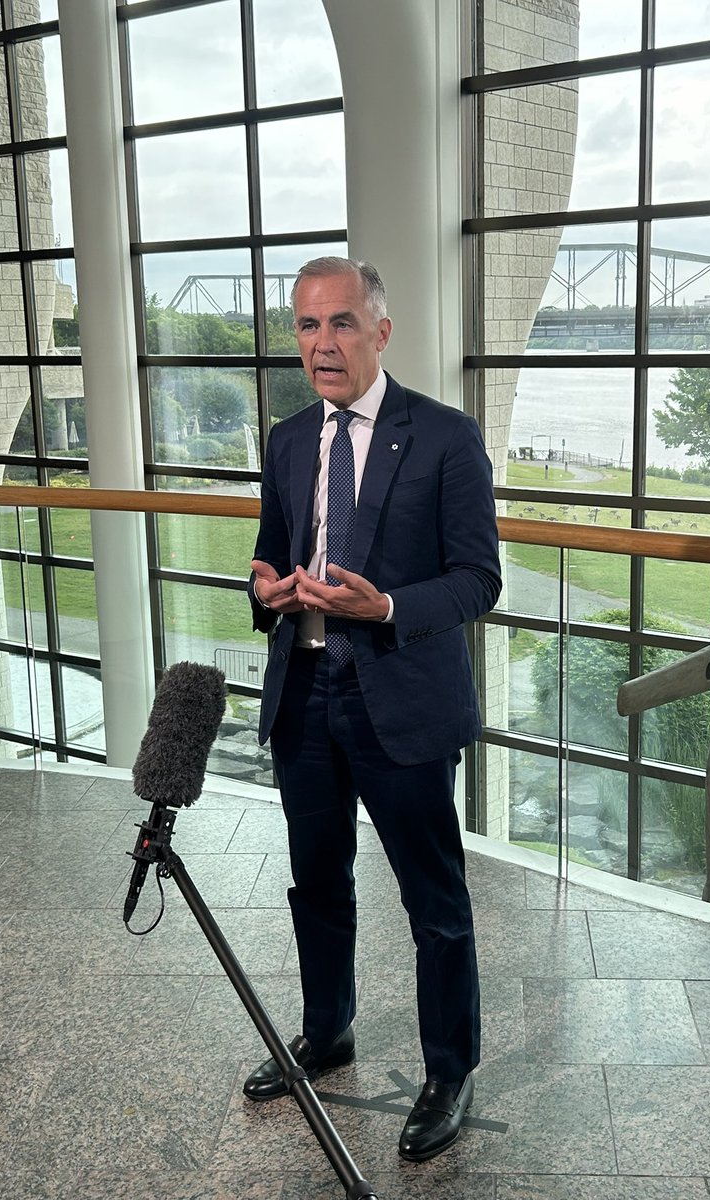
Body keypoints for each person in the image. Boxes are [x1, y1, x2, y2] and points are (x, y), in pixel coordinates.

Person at [244, 256, 501, 1162]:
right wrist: (265, 588)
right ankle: (327, 1033)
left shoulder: (445, 436)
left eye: (342, 323)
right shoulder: (286, 440)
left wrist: (384, 605)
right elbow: (268, 556)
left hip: (401, 700)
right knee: (316, 883)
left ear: (381, 332)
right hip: (305, 695)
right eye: (308, 325)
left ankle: (449, 1072)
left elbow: (478, 580)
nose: (323, 343)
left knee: (434, 900)